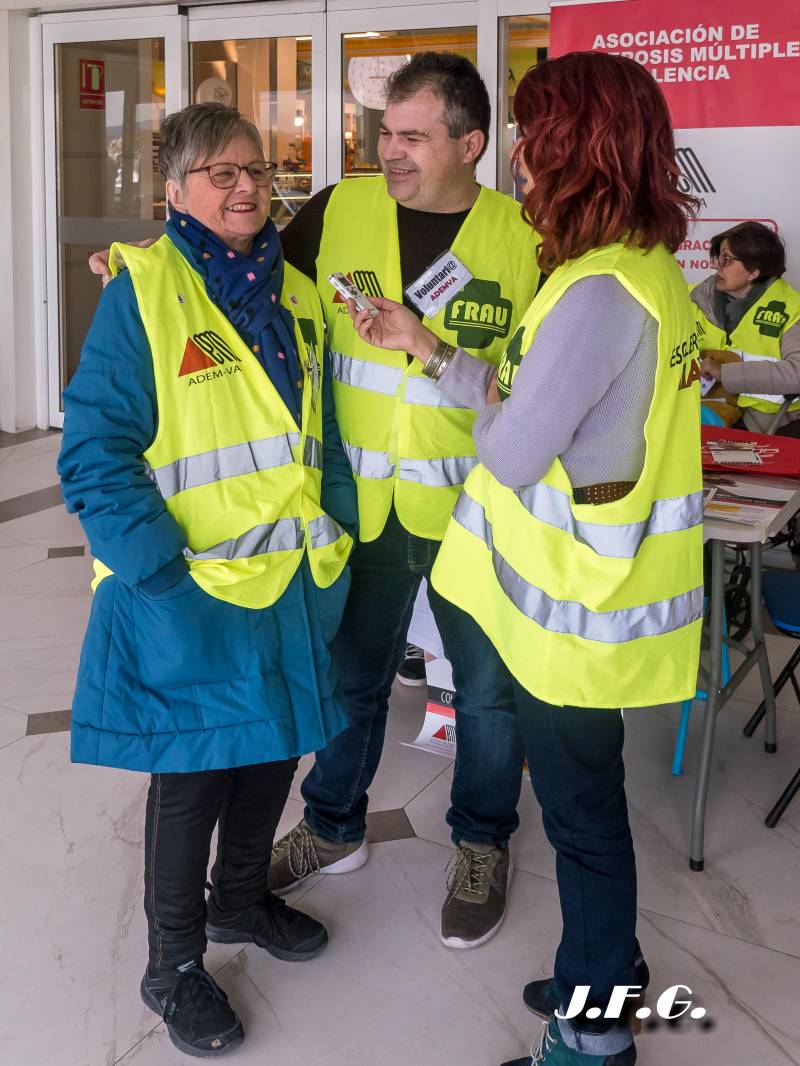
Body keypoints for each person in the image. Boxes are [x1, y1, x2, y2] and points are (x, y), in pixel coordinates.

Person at [349, 51, 703, 1065]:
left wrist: (479, 390)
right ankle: (610, 971)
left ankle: (592, 1037)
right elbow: (541, 409)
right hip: (607, 593)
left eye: (531, 135)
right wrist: (429, 348)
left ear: (573, 148)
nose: (517, 154)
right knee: (587, 804)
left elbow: (509, 450)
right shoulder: (640, 267)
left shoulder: (593, 294)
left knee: (584, 820)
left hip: (572, 616)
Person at [58, 103, 356, 1058]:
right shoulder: (142, 288)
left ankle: (239, 903)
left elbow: (322, 437)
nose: (243, 188)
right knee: (191, 781)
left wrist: (337, 537)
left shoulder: (299, 296)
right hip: (185, 591)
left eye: (255, 172)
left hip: (289, 587)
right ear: (175, 191)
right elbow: (96, 454)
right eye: (219, 173)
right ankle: (173, 965)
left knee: (271, 755)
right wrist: (157, 575)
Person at [269, 51, 543, 950]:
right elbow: (251, 294)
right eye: (383, 132)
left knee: (489, 693)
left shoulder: (525, 236)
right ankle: (334, 825)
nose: (388, 151)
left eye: (412, 137)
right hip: (367, 507)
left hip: (476, 508)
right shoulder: (338, 210)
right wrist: (155, 278)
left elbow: (542, 387)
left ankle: (480, 842)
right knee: (353, 677)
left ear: (472, 143)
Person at [695, 221, 800, 432]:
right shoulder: (694, 299)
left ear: (753, 272)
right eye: (717, 257)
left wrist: (725, 372)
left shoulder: (791, 307)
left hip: (773, 425)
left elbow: (797, 374)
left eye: (727, 259)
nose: (716, 265)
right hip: (707, 417)